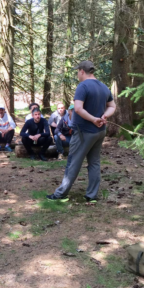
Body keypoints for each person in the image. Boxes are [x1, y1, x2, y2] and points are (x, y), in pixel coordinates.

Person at [46, 61, 116, 202]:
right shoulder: (103, 87)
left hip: (84, 132)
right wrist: (104, 116)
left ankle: (60, 194)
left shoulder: (82, 86)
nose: (77, 74)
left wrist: (94, 119)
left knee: (73, 162)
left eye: (77, 72)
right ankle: (92, 195)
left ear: (82, 71)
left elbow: (78, 108)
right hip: (100, 131)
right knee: (94, 162)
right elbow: (112, 106)